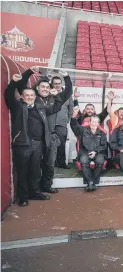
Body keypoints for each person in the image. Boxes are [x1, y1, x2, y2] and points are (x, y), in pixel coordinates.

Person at [4, 74, 64, 206]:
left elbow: (55, 108)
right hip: (23, 145)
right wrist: (13, 82)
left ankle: (34, 192)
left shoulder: (40, 107)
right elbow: (8, 95)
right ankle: (23, 197)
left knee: (35, 171)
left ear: (35, 97)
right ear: (22, 97)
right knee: (23, 172)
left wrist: (57, 96)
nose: (30, 97)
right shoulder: (18, 106)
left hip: (38, 144)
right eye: (27, 95)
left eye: (32, 96)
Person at [18, 67, 73, 194]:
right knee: (35, 166)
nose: (45, 89)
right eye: (42, 87)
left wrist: (66, 77)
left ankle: (46, 186)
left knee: (49, 164)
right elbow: (22, 86)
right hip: (35, 138)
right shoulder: (32, 98)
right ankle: (34, 190)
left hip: (51, 137)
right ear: (37, 88)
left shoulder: (55, 99)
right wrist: (30, 72)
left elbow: (68, 92)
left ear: (50, 89)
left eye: (47, 87)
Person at [70, 108, 107, 192]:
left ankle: (93, 181)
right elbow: (74, 126)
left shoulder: (102, 133)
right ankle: (90, 182)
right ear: (89, 122)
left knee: (100, 161)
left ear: (98, 123)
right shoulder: (83, 130)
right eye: (92, 122)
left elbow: (104, 146)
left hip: (97, 153)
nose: (94, 123)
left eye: (96, 122)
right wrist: (74, 116)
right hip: (85, 152)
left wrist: (95, 152)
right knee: (83, 161)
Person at [53, 76, 74, 169]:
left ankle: (61, 163)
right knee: (49, 146)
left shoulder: (67, 94)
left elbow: (71, 108)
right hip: (50, 125)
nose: (57, 85)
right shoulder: (49, 93)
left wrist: (67, 119)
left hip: (61, 125)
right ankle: (51, 164)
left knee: (61, 145)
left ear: (61, 84)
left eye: (58, 83)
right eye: (55, 83)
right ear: (52, 84)